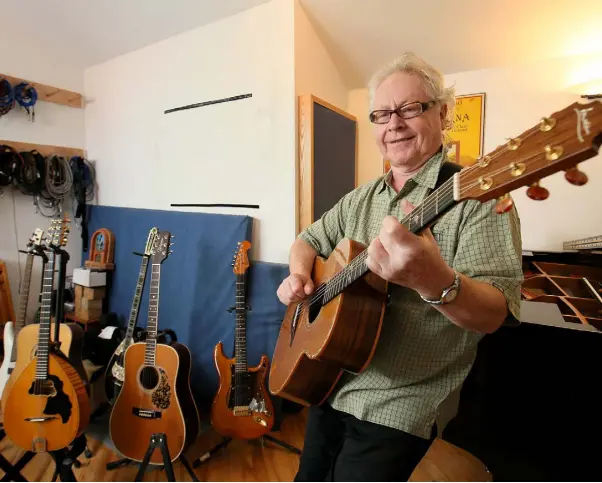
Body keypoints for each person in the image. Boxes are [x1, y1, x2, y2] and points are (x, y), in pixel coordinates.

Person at [276, 52, 523, 482]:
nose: (394, 124)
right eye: (382, 114)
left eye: (411, 108)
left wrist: (434, 281)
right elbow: (307, 240)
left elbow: (495, 313)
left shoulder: (480, 197)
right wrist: (299, 276)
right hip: (332, 376)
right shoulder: (360, 197)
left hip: (400, 400)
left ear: (443, 113)